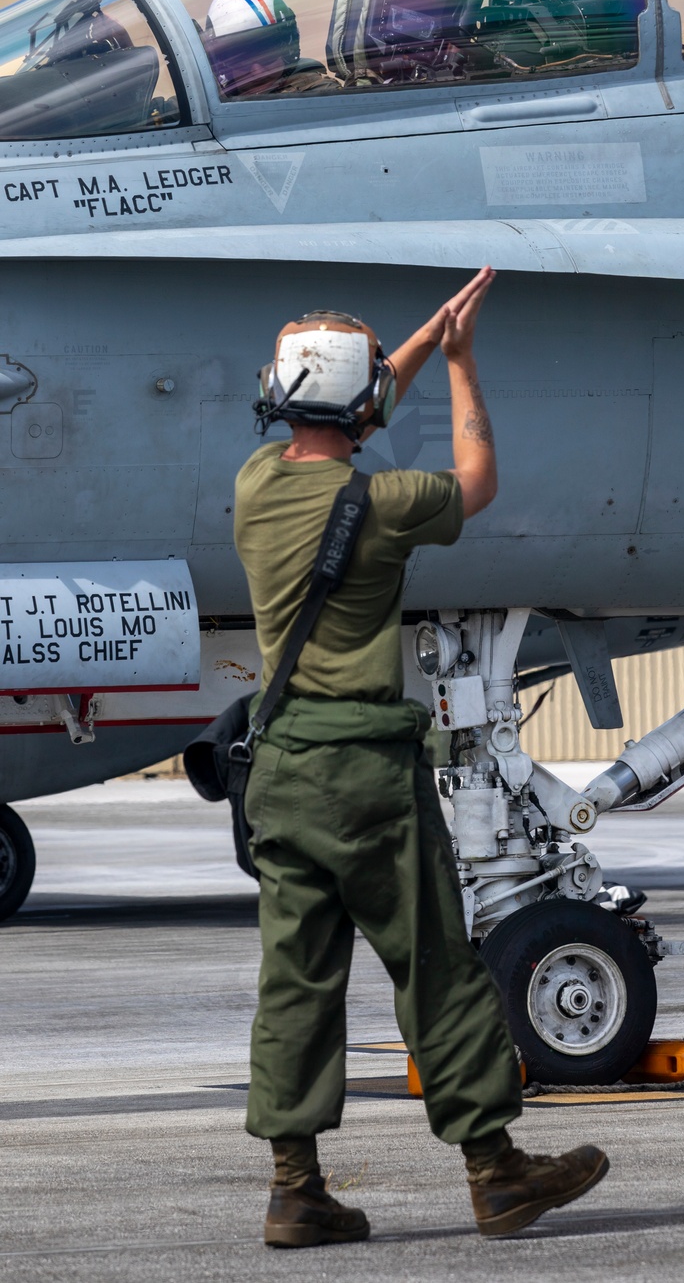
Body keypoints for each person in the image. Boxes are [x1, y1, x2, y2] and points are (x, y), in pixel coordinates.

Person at [234, 268, 609, 1248]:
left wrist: (405, 346)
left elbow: (344, 408)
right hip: (367, 774)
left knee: (295, 981)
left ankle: (294, 1188)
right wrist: (460, 359)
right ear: (364, 412)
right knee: (434, 967)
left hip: (281, 773)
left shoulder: (254, 488)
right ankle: (494, 1173)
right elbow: (479, 481)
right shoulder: (388, 502)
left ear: (279, 399)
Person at [201, 0, 335, 96]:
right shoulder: (208, 107)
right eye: (242, 59)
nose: (258, 72)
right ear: (222, 64)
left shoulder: (321, 96)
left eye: (266, 55)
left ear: (287, 49)